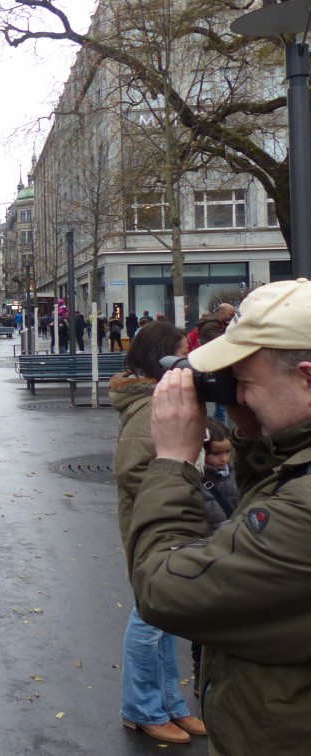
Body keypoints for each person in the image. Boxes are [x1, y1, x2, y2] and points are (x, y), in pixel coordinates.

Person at [130, 278, 311, 754]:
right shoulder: (297, 479)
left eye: (245, 382)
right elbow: (270, 497)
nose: (239, 397)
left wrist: (172, 460)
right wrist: (252, 426)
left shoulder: (303, 515)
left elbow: (162, 587)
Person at [109, 320, 206, 744]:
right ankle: (142, 707)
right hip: (154, 526)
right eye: (183, 350)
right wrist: (178, 485)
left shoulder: (162, 397)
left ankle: (170, 703)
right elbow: (130, 468)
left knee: (165, 616)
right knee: (149, 617)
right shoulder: (150, 405)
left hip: (169, 519)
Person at [189, 418, 238, 690]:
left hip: (232, 555)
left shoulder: (233, 474)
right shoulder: (197, 480)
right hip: (210, 555)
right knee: (204, 629)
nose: (223, 459)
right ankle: (201, 677)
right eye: (216, 453)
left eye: (227, 452)